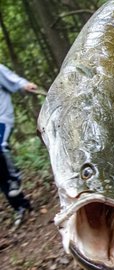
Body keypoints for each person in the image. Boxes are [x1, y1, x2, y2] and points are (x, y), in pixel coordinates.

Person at [0, 63, 38, 227]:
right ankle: (20, 205)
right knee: (0, 174)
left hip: (2, 119)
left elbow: (13, 80)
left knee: (0, 145)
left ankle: (15, 179)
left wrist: (25, 85)